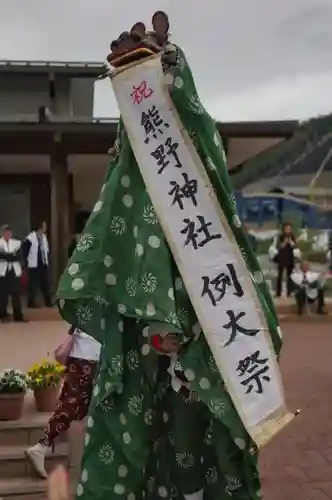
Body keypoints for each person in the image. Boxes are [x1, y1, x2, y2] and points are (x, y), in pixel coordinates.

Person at [55, 12, 283, 500]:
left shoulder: (191, 144)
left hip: (201, 331)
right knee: (135, 441)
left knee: (193, 445)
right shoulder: (132, 168)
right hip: (136, 342)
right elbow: (116, 235)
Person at [25, 326, 100, 479]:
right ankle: (42, 446)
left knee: (77, 406)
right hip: (90, 353)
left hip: (83, 351)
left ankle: (43, 446)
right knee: (72, 405)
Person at [22, 221, 52, 308]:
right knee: (33, 285)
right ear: (40, 227)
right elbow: (25, 250)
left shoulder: (44, 237)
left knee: (45, 283)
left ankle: (48, 301)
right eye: (44, 226)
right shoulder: (30, 237)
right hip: (33, 265)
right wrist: (26, 262)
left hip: (43, 264)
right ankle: (30, 302)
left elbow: (46, 250)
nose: (45, 228)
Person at [0, 224, 25, 322]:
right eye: (5, 232)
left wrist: (7, 256)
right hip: (2, 271)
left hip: (14, 271)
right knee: (3, 295)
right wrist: (10, 256)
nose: (7, 234)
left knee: (16, 294)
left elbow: (18, 256)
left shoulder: (17, 243)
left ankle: (18, 316)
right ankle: (3, 315)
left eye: (9, 232)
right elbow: (1, 256)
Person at [269, 222, 299, 297]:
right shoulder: (280, 236)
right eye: (286, 228)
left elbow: (295, 246)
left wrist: (290, 242)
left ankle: (289, 292)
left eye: (289, 228)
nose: (288, 230)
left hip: (290, 257)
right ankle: (278, 293)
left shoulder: (292, 236)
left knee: (290, 276)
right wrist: (285, 242)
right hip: (282, 257)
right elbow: (279, 247)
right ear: (284, 229)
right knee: (280, 275)